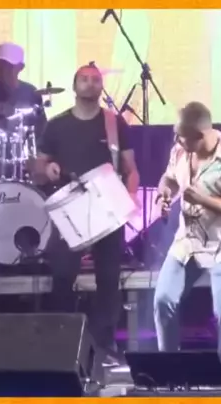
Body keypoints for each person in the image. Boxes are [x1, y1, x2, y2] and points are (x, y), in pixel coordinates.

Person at [35, 64, 140, 371]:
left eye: (96, 80)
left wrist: (130, 195)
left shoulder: (114, 123)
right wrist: (47, 169)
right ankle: (63, 342)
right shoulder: (56, 125)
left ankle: (104, 344)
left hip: (107, 208)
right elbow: (38, 168)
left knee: (108, 279)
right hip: (70, 210)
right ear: (74, 85)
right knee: (62, 275)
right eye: (84, 79)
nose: (91, 84)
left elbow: (131, 169)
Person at [153, 101, 221, 382]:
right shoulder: (180, 150)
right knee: (163, 300)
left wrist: (202, 199)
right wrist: (164, 194)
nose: (177, 142)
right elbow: (169, 178)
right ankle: (169, 367)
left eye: (182, 137)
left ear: (200, 135)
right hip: (187, 241)